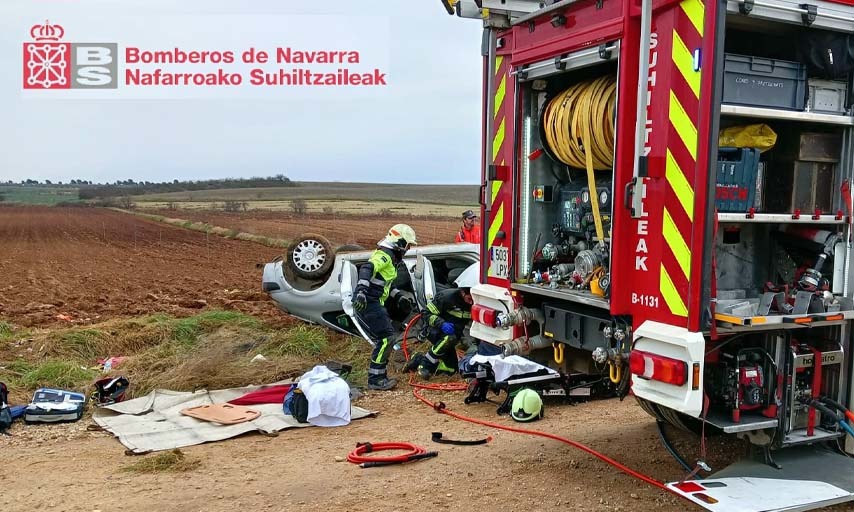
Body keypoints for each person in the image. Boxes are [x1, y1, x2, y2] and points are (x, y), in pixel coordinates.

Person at [353, 223, 418, 391]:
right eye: (407, 245)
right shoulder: (384, 256)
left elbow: (384, 284)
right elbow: (367, 269)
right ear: (399, 242)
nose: (407, 249)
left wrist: (399, 296)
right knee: (385, 339)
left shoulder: (391, 258)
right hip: (368, 302)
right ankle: (376, 379)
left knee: (385, 338)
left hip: (374, 302)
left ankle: (378, 377)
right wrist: (361, 290)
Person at [415, 266, 478, 380]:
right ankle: (424, 365)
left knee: (451, 370)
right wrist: (442, 323)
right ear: (463, 292)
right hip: (435, 330)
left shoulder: (474, 303)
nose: (472, 302)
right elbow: (426, 313)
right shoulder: (446, 297)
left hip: (453, 336)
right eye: (470, 298)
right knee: (450, 338)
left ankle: (417, 359)